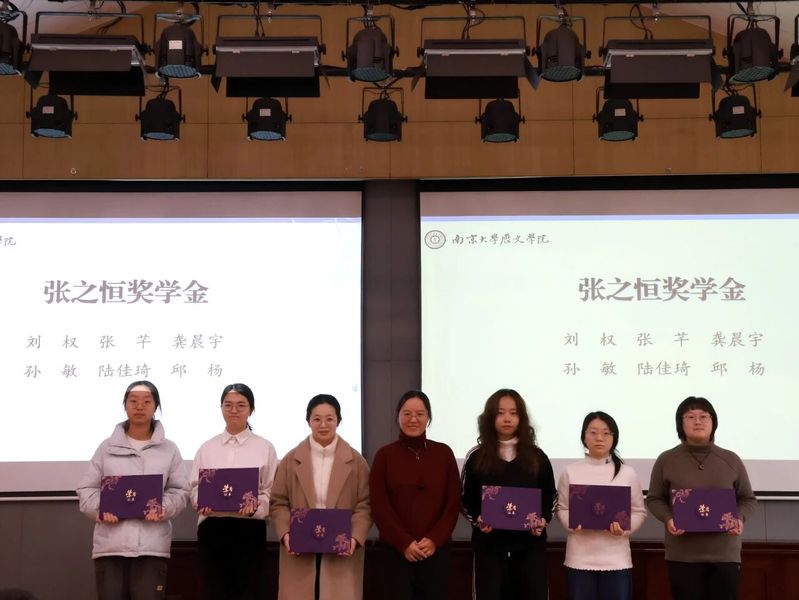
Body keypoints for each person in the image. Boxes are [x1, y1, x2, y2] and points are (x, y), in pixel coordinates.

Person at [77, 381, 189, 600]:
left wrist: (162, 508)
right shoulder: (106, 447)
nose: (139, 406)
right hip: (110, 546)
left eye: (146, 401)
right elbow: (86, 488)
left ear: (155, 406)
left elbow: (180, 491)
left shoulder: (169, 449)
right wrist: (102, 509)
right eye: (133, 401)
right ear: (125, 405)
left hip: (151, 546)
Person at [646, 396, 757, 600]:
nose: (698, 421)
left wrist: (739, 518)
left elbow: (748, 499)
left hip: (724, 554)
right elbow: (654, 499)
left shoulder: (731, 459)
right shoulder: (666, 460)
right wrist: (668, 518)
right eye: (690, 416)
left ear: (713, 422)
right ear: (680, 423)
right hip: (683, 555)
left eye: (704, 416)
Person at [270, 394, 371, 600]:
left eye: (329, 419)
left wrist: (354, 537)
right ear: (308, 421)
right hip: (299, 548)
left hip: (341, 549)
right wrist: (286, 534)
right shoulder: (291, 459)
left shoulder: (356, 461)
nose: (323, 425)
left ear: (338, 421)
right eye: (317, 419)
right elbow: (278, 502)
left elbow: (366, 504)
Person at [461, 388, 557, 600]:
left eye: (513, 413)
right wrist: (478, 519)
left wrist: (542, 520)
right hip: (490, 548)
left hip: (529, 548)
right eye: (500, 413)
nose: (507, 418)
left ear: (521, 418)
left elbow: (550, 497)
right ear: (490, 417)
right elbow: (466, 499)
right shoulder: (476, 457)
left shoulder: (537, 457)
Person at [369, 390, 461, 600]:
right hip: (395, 552)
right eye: (407, 413)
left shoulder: (444, 453)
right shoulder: (384, 455)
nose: (413, 419)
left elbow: (452, 503)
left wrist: (435, 539)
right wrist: (404, 543)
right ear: (397, 416)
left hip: (436, 552)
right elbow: (379, 505)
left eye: (420, 414)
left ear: (428, 417)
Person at [190, 383, 279, 600]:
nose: (234, 410)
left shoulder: (265, 447)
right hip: (213, 529)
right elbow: (193, 487)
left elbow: (270, 491)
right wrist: (200, 501)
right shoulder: (207, 448)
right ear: (221, 408)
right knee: (213, 591)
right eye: (228, 405)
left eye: (241, 405)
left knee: (247, 591)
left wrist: (256, 507)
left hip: (249, 529)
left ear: (251, 409)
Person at [556, 411, 647, 600]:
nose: (599, 438)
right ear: (584, 436)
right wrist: (571, 524)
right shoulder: (570, 471)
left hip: (617, 560)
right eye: (593, 432)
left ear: (614, 438)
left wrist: (625, 529)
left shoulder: (627, 473)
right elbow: (562, 508)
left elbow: (639, 511)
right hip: (579, 559)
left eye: (606, 433)